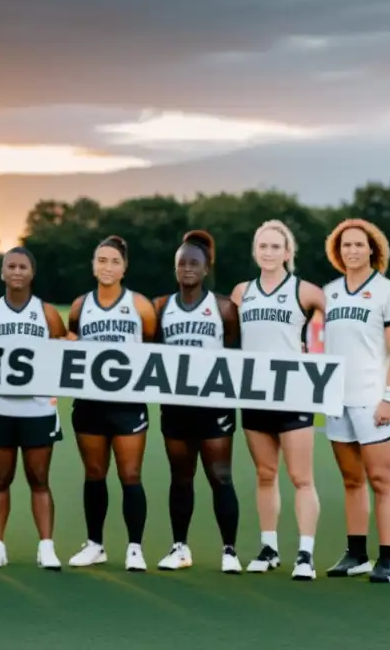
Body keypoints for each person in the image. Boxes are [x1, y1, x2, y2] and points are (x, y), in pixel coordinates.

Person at [232, 220, 325, 580]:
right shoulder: (242, 292)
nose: (268, 253)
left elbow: (333, 327)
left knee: (301, 477)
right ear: (255, 251)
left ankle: (305, 553)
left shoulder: (306, 291)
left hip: (294, 393)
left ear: (288, 253)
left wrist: (315, 350)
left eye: (275, 247)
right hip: (255, 392)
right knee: (265, 474)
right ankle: (269, 546)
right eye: (263, 246)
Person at [322, 219, 390, 584]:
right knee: (351, 479)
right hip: (336, 399)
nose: (352, 251)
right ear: (337, 252)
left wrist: (388, 398)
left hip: (373, 399)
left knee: (381, 479)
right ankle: (356, 553)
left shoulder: (389, 292)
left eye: (358, 245)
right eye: (345, 246)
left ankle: (387, 560)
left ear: (372, 248)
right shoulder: (328, 292)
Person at [64, 235, 156, 571]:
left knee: (130, 474)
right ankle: (95, 544)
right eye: (102, 260)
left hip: (128, 403)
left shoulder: (140, 305)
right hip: (89, 403)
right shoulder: (79, 306)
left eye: (115, 261)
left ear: (124, 267)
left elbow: (153, 346)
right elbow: (71, 343)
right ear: (93, 264)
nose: (107, 267)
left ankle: (135, 547)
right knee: (94, 473)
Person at [154, 230, 244, 574]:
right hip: (175, 407)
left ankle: (230, 550)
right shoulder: (161, 307)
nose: (188, 268)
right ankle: (179, 547)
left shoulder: (223, 308)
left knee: (220, 477)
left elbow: (236, 358)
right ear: (175, 268)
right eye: (182, 263)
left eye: (194, 263)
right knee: (181, 478)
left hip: (214, 408)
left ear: (206, 269)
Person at [0, 247, 67, 570]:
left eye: (22, 266)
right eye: (10, 266)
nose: (16, 271)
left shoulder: (47, 312)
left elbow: (63, 347)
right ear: (2, 273)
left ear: (31, 273)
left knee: (39, 478)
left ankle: (46, 546)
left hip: (37, 408)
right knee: (0, 478)